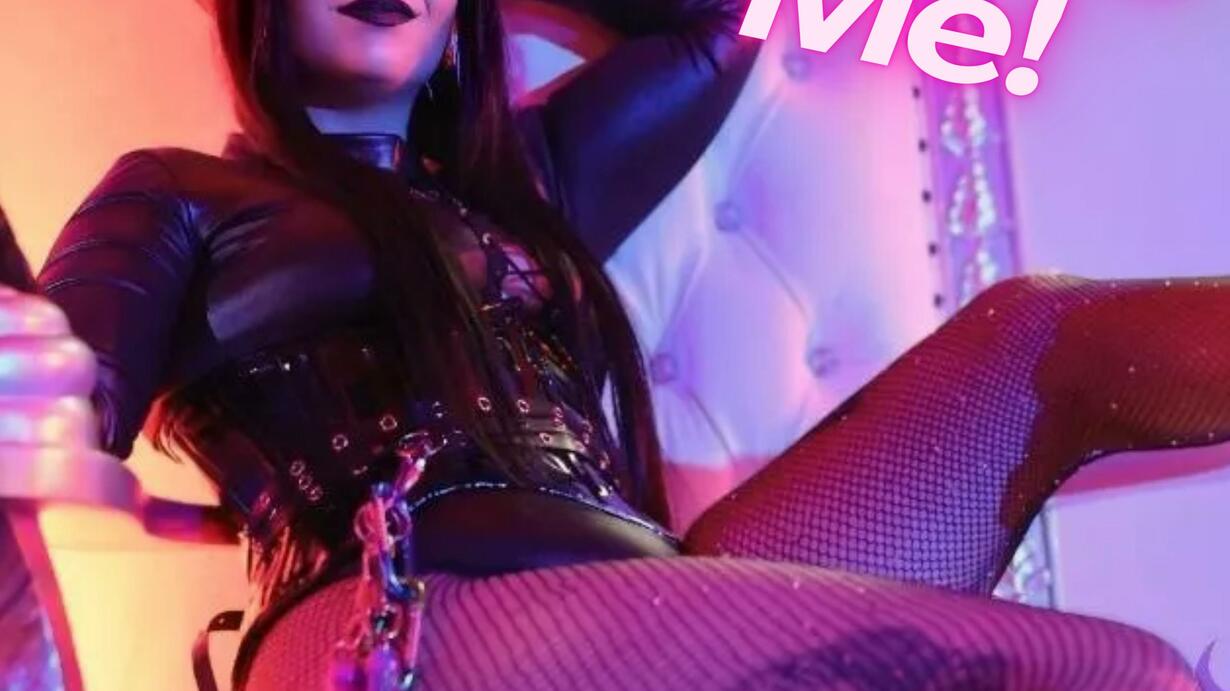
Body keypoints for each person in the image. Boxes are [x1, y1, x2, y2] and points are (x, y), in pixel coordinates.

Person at [2, 0, 1222, 687]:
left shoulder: (534, 183)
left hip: (646, 586)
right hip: (399, 619)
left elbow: (720, 18)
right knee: (1115, 677)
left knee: (1032, 331)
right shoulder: (178, 194)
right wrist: (42, 393)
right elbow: (61, 388)